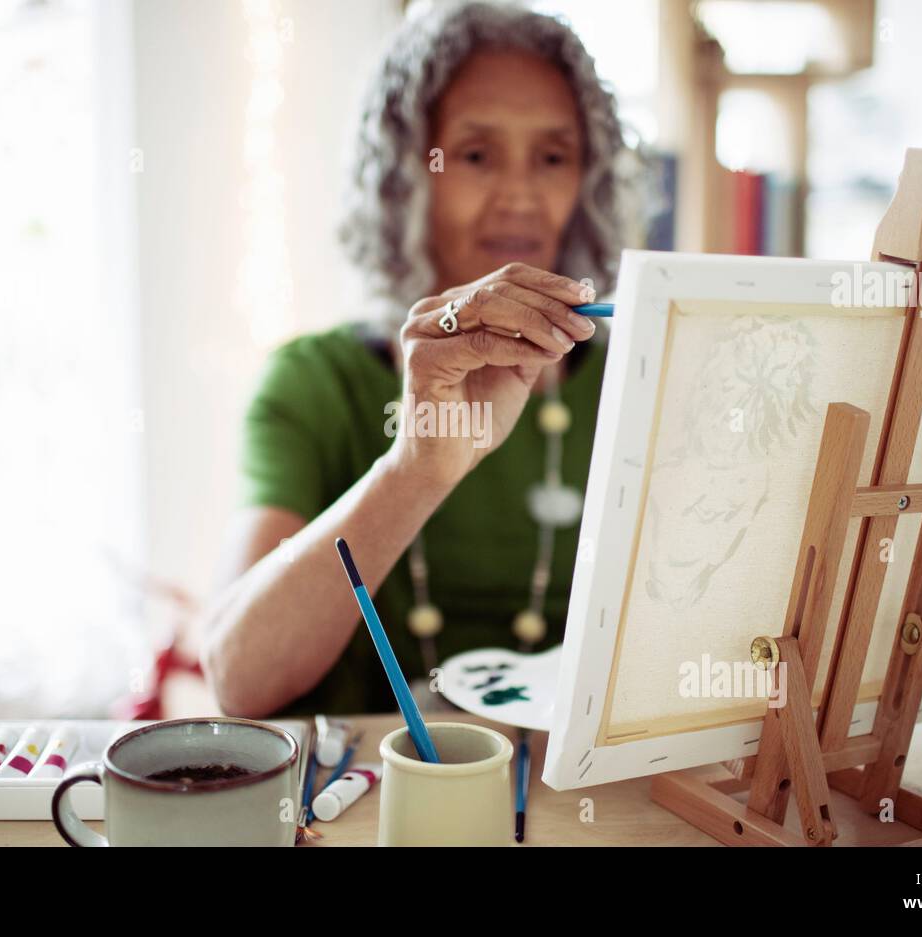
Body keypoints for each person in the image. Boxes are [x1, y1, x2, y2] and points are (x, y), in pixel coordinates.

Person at [202, 1, 626, 717]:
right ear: (404, 178)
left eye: (553, 157)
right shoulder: (313, 384)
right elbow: (236, 678)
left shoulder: (637, 379)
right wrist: (417, 467)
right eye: (475, 155)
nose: (521, 195)